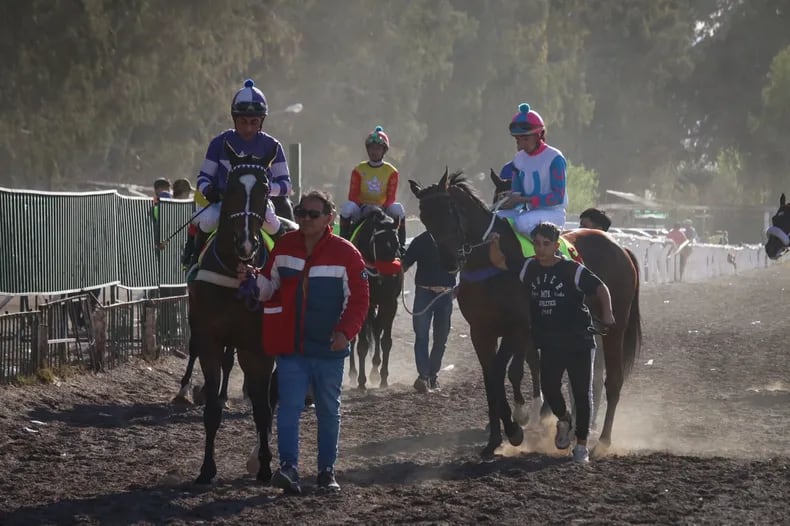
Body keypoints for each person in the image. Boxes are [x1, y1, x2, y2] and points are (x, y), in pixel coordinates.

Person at [245, 189, 369, 494]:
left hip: (329, 348)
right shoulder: (284, 246)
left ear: (330, 217)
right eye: (301, 213)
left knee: (328, 409)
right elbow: (269, 286)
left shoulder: (347, 253)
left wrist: (344, 333)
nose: (306, 219)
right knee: (288, 408)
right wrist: (250, 279)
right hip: (291, 347)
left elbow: (359, 300)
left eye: (313, 214)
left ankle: (327, 472)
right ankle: (288, 468)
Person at [488, 222, 615, 464]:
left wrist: (608, 313)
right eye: (536, 243)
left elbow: (600, 288)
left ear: (556, 246)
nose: (540, 248)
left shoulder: (572, 270)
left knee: (581, 392)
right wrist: (494, 242)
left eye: (546, 244)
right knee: (550, 388)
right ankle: (564, 419)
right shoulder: (529, 268)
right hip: (549, 342)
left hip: (579, 340)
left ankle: (581, 446)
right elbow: (500, 262)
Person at [187, 78, 292, 268]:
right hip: (225, 201)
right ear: (235, 119)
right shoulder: (219, 143)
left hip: (258, 203)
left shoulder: (273, 146)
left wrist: (267, 190)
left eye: (254, 122)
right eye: (243, 122)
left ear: (262, 121)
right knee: (209, 220)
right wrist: (209, 190)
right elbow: (203, 177)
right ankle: (193, 259)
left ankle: (287, 266)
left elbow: (286, 185)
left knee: (273, 225)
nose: (248, 128)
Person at [401, 231, 457, 393]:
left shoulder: (454, 241)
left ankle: (432, 375)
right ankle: (424, 376)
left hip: (445, 295)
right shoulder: (421, 241)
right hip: (424, 293)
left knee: (441, 338)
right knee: (422, 335)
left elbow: (464, 264)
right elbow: (405, 264)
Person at [501, 103, 568, 238]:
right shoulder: (518, 159)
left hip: (554, 214)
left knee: (521, 222)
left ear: (539, 135)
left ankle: (546, 254)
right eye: (518, 139)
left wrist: (523, 199)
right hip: (529, 213)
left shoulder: (555, 158)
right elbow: (517, 192)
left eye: (525, 138)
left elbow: (557, 197)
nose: (520, 143)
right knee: (495, 217)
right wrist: (509, 198)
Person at [339, 125, 406, 252]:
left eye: (378, 148)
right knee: (347, 207)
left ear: (384, 150)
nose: (374, 151)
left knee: (398, 209)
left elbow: (391, 197)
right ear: (367, 150)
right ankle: (344, 241)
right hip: (362, 209)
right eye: (371, 148)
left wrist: (379, 209)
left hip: (383, 209)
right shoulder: (358, 169)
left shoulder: (392, 171)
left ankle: (402, 246)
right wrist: (366, 207)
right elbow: (353, 195)